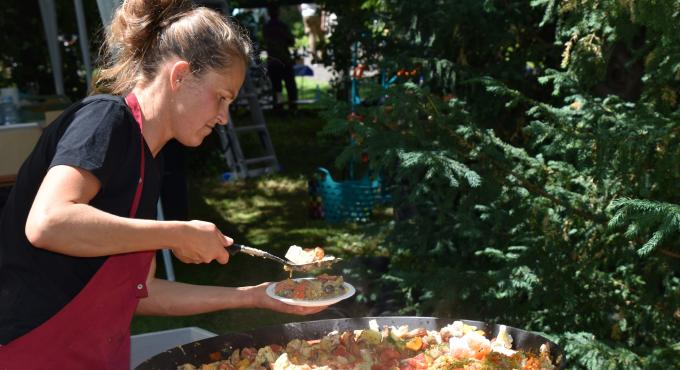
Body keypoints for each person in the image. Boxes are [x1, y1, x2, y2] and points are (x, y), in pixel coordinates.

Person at [0, 0, 324, 367]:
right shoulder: (105, 119)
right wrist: (175, 233)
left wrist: (255, 296)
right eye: (221, 98)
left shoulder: (147, 161)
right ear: (180, 75)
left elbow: (143, 292)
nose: (223, 118)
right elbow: (48, 222)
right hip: (29, 352)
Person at [262, 5, 298, 112]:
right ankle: (293, 107)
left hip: (274, 61)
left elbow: (265, 41)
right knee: (290, 86)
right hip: (284, 59)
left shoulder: (267, 27)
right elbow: (291, 41)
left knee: (277, 88)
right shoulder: (283, 26)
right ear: (278, 12)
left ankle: (280, 107)